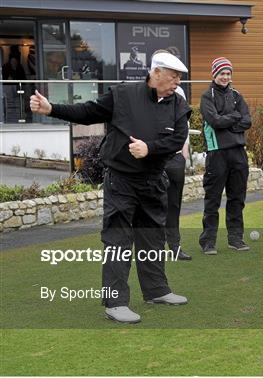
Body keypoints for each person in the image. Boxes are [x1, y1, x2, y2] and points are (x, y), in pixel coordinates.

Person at [30, 51, 192, 324]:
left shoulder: (177, 104)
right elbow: (88, 112)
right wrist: (52, 109)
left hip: (153, 181)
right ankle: (115, 303)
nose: (178, 81)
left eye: (179, 77)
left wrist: (148, 148)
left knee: (152, 238)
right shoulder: (123, 95)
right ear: (155, 73)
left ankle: (156, 290)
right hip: (122, 181)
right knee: (118, 241)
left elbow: (178, 139)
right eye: (173, 76)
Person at [199, 57, 252, 255]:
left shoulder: (237, 95)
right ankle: (208, 242)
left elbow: (247, 120)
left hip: (238, 153)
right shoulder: (207, 96)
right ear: (215, 74)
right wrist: (233, 119)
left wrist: (228, 122)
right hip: (217, 154)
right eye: (222, 73)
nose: (225, 77)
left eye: (228, 73)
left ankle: (235, 239)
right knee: (212, 200)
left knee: (237, 198)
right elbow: (215, 121)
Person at [164, 85, 192, 261]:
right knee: (152, 206)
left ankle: (175, 247)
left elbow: (184, 124)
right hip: (153, 159)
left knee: (174, 206)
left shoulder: (179, 92)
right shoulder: (144, 93)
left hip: (175, 159)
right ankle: (153, 248)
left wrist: (184, 150)